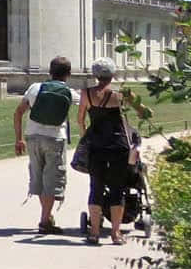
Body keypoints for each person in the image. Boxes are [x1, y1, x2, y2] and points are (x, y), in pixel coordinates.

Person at [14, 56, 74, 234]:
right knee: (51, 180)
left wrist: (19, 139)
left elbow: (18, 113)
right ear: (68, 74)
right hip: (55, 138)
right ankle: (44, 221)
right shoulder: (69, 91)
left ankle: (46, 216)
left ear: (50, 71)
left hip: (32, 136)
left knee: (39, 178)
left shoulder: (35, 88)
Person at [77, 57, 132, 245]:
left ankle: (94, 232)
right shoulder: (121, 94)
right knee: (117, 188)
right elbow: (141, 111)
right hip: (118, 145)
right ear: (113, 74)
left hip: (96, 145)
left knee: (96, 187)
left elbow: (80, 120)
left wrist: (86, 136)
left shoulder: (86, 93)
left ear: (95, 74)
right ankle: (116, 233)